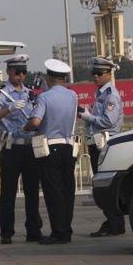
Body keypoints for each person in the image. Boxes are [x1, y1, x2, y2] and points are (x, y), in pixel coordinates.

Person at [0, 54, 43, 245]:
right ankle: (6, 232)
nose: (21, 76)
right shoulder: (0, 93)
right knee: (8, 193)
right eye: (17, 72)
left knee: (32, 192)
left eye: (24, 72)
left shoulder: (30, 93)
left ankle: (34, 230)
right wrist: (9, 108)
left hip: (29, 147)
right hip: (11, 147)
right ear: (9, 71)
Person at [23, 59, 78, 245]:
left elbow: (36, 122)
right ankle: (67, 229)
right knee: (67, 190)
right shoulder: (73, 96)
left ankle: (58, 231)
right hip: (69, 146)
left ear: (49, 77)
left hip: (50, 147)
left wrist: (26, 126)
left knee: (53, 191)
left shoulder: (45, 97)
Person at [78, 57, 125, 237]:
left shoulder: (110, 95)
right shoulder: (100, 94)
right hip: (97, 143)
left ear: (108, 74)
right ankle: (113, 222)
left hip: (104, 144)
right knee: (102, 185)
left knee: (105, 186)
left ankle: (114, 223)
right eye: (93, 73)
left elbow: (108, 121)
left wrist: (88, 116)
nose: (95, 77)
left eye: (99, 73)